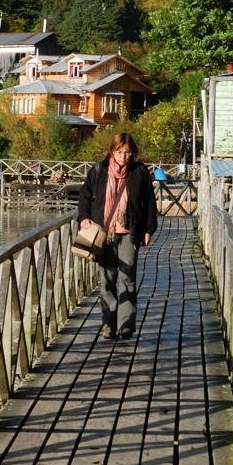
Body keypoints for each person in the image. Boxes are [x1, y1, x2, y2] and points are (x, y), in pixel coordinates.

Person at [77, 133, 158, 340]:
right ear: (112, 151)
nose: (124, 157)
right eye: (120, 152)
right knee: (107, 279)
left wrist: (149, 229)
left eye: (128, 153)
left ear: (133, 153)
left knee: (127, 277)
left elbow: (149, 201)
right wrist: (84, 218)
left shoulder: (139, 171)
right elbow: (85, 197)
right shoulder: (98, 170)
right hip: (104, 232)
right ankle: (109, 323)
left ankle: (126, 325)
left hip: (129, 232)